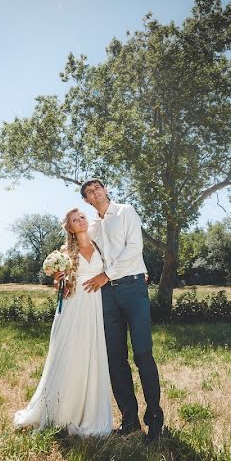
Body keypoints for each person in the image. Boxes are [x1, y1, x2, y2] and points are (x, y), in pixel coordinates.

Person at [13, 208, 112, 437]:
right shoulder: (66, 251)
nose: (80, 221)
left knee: (91, 355)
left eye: (82, 217)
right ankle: (61, 413)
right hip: (73, 308)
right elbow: (62, 289)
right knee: (69, 355)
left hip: (95, 308)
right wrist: (58, 282)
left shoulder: (98, 246)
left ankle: (88, 412)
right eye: (75, 220)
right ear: (69, 228)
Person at [79, 178, 164, 442]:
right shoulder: (91, 226)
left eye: (98, 188)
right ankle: (130, 420)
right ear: (87, 201)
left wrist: (107, 275)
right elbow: (81, 248)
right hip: (106, 296)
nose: (96, 193)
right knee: (115, 359)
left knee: (142, 352)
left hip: (133, 288)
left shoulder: (126, 211)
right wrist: (62, 268)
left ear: (105, 190)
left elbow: (134, 249)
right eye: (90, 192)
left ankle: (155, 419)